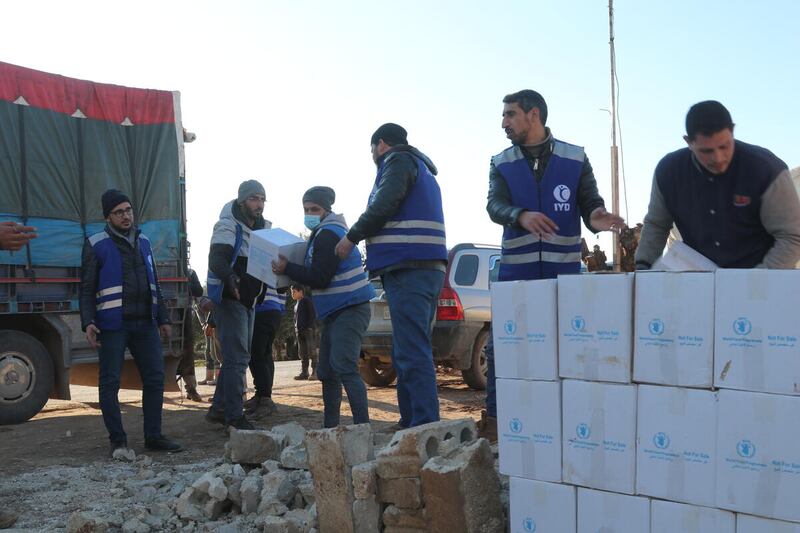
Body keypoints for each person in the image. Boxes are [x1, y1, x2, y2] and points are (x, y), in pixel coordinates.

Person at [484, 90, 625, 441]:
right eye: (504, 116)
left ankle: (565, 422)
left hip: (564, 277)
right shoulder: (500, 162)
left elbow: (590, 202)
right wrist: (520, 215)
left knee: (566, 349)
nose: (504, 123)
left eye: (510, 114)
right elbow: (494, 206)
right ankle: (499, 423)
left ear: (534, 115)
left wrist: (597, 216)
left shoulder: (574, 158)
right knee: (505, 350)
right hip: (517, 277)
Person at [335, 123, 447, 429]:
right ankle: (411, 420)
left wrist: (351, 237)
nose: (372, 154)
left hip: (410, 268)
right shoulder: (418, 166)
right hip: (417, 268)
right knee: (406, 350)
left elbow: (385, 204)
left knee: (412, 351)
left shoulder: (396, 161)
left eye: (372, 149)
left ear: (380, 144)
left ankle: (423, 425)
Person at [636, 100, 800, 269]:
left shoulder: (766, 169)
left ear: (732, 131)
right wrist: (642, 271)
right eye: (706, 151)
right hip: (699, 280)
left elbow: (792, 236)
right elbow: (656, 225)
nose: (718, 158)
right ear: (688, 142)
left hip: (759, 278)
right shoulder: (668, 172)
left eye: (725, 146)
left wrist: (755, 281)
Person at [79, 189, 182, 456]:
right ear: (108, 216)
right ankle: (118, 441)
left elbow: (153, 282)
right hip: (113, 325)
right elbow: (87, 288)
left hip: (145, 324)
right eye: (119, 212)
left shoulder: (144, 240)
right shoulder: (96, 243)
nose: (126, 216)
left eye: (128, 210)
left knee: (155, 378)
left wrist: (162, 318)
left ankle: (154, 436)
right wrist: (88, 321)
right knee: (110, 382)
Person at [274, 186, 375, 428]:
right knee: (328, 371)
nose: (309, 213)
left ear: (326, 209)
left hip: (349, 308)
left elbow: (320, 277)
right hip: (336, 311)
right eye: (306, 209)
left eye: (314, 209)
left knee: (344, 367)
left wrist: (287, 269)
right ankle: (330, 429)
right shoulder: (324, 232)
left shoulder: (328, 233)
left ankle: (363, 428)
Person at [205, 180, 268, 430]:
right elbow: (216, 259)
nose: (259, 204)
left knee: (239, 357)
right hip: (231, 300)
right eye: (254, 198)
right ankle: (234, 417)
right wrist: (230, 277)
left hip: (249, 301)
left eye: (262, 199)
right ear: (242, 201)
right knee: (236, 358)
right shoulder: (227, 225)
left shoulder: (261, 230)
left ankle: (220, 409)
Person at [244, 286, 286, 416]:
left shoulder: (255, 264)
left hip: (261, 308)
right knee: (265, 355)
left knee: (257, 356)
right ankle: (263, 395)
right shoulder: (274, 265)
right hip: (275, 309)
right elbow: (283, 286)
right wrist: (281, 308)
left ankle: (265, 398)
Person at [176, 268, 204, 402]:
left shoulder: (190, 272)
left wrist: (183, 283)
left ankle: (191, 388)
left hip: (184, 316)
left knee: (187, 352)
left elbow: (198, 291)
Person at [291, 284, 318, 380]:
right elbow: (295, 319)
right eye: (292, 292)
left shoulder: (306, 301)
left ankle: (315, 371)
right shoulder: (296, 304)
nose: (292, 294)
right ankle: (304, 372)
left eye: (294, 291)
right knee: (302, 353)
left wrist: (310, 327)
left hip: (308, 330)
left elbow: (312, 314)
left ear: (301, 292)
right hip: (299, 331)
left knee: (312, 351)